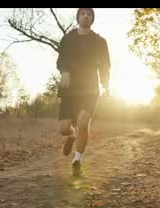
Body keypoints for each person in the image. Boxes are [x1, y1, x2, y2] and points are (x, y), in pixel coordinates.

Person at [56, 8, 111, 176]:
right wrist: (64, 71)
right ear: (78, 17)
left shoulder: (100, 41)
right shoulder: (67, 39)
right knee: (65, 129)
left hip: (89, 88)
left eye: (89, 14)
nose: (86, 16)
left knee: (82, 122)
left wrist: (105, 83)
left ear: (92, 19)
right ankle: (71, 136)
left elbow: (104, 64)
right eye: (83, 14)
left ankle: (77, 160)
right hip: (69, 87)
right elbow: (61, 60)